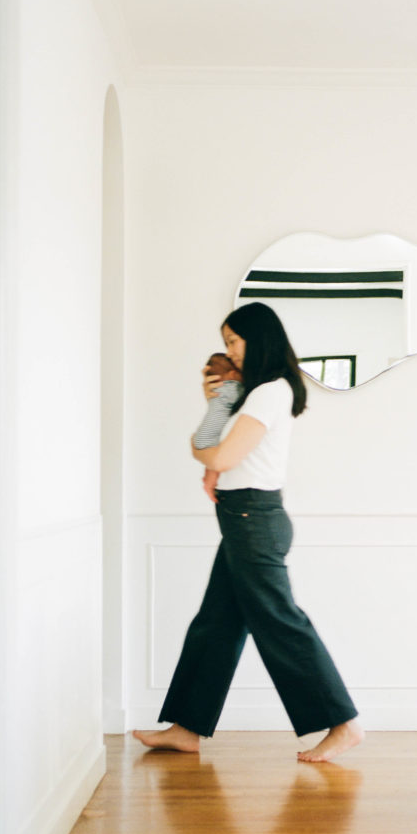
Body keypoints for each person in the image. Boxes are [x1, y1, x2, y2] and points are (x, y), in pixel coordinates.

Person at [134, 302, 363, 762]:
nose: (229, 352)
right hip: (245, 519)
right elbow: (222, 455)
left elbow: (216, 455)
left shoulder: (270, 392)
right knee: (215, 625)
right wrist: (218, 406)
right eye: (226, 344)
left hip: (253, 520)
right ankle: (185, 727)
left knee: (280, 623)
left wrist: (216, 412)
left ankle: (343, 723)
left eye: (234, 342)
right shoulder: (258, 392)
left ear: (259, 341)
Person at [192, 352, 243, 502]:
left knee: (212, 466)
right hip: (207, 438)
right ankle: (209, 482)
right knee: (215, 464)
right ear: (233, 374)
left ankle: (208, 481)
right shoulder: (233, 389)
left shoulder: (215, 390)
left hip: (203, 436)